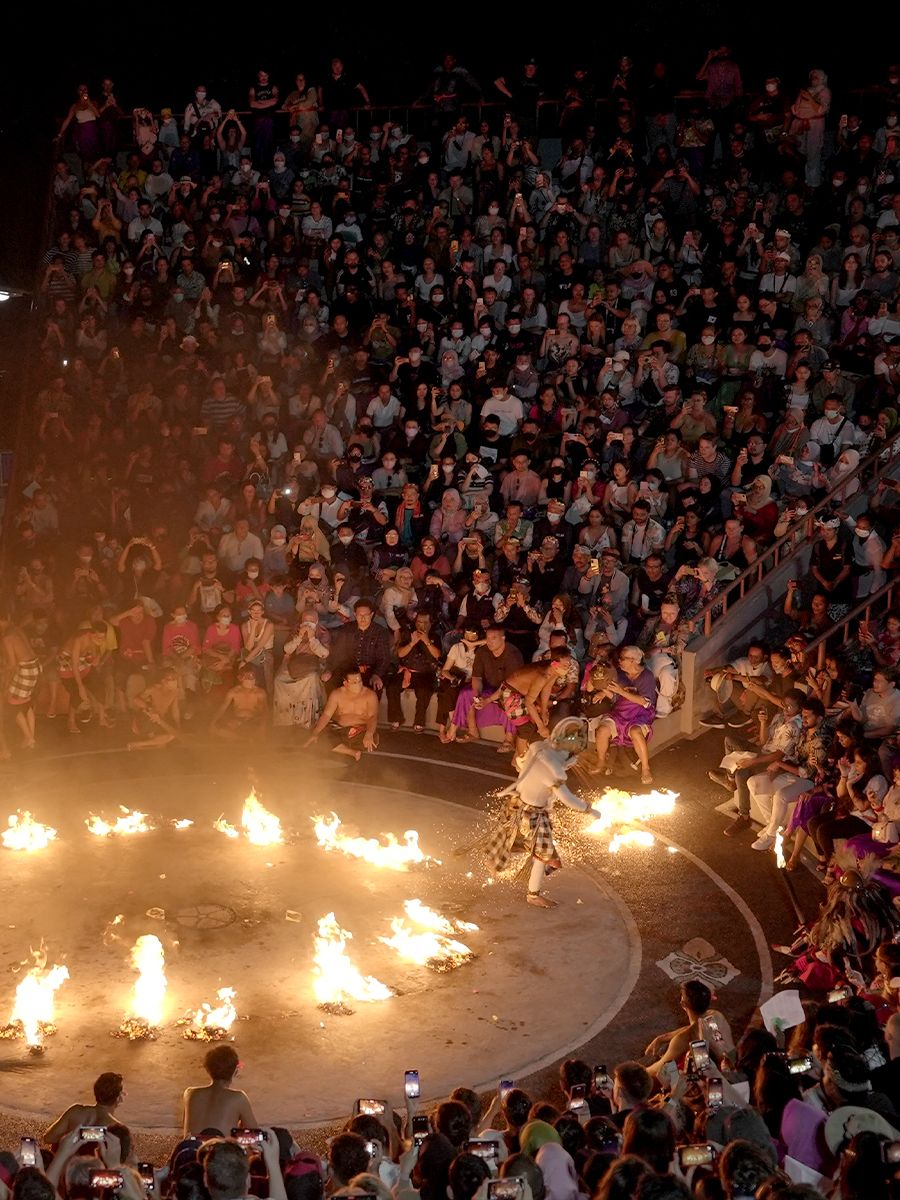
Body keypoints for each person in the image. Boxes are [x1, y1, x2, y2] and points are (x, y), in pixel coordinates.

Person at [484, 718, 602, 908]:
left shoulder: (538, 748)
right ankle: (533, 895)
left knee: (511, 840)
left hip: (516, 806)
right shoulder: (553, 772)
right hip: (533, 816)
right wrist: (590, 810)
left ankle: (495, 864)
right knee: (542, 856)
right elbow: (567, 798)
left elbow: (524, 766)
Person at [587, 646, 658, 784]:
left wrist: (621, 691)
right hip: (620, 712)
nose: (619, 661)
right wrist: (600, 686)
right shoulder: (618, 673)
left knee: (636, 732)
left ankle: (645, 768)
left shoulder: (647, 676)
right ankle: (601, 761)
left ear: (633, 660)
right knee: (602, 730)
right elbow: (599, 690)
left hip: (639, 713)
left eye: (622, 658)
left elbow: (645, 702)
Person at [304, 669, 379, 760]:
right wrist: (315, 732)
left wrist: (369, 733)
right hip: (339, 729)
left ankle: (340, 747)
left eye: (360, 681)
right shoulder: (337, 694)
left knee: (372, 740)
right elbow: (326, 715)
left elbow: (372, 717)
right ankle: (352, 752)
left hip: (359, 731)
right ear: (346, 683)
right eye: (354, 682)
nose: (359, 685)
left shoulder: (370, 695)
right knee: (320, 737)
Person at [44, 1072, 125, 1144]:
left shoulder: (75, 1111)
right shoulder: (116, 1129)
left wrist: (76, 1134)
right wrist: (89, 1135)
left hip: (64, 1156)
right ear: (118, 1098)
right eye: (122, 1093)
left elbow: (48, 1138)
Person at [0, 611, 41, 752]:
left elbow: (12, 665)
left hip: (27, 670)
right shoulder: (17, 630)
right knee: (26, 704)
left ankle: (29, 738)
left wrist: (4, 674)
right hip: (34, 666)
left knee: (12, 703)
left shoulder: (7, 638)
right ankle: (30, 739)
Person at [127, 667, 182, 750]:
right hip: (146, 718)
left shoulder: (175, 692)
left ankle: (139, 744)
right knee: (163, 740)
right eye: (172, 679)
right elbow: (136, 699)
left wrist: (178, 725)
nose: (175, 682)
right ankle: (143, 741)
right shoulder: (153, 689)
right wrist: (150, 709)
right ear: (164, 681)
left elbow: (175, 709)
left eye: (176, 679)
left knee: (167, 739)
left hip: (160, 719)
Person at [210, 665, 269, 740]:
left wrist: (263, 725)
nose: (251, 680)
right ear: (240, 678)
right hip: (236, 720)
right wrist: (213, 722)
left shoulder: (260, 692)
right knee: (218, 730)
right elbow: (223, 707)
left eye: (253, 677)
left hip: (253, 720)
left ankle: (242, 738)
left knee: (260, 733)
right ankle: (243, 739)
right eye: (248, 677)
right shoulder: (233, 692)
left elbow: (265, 710)